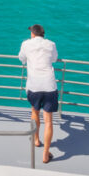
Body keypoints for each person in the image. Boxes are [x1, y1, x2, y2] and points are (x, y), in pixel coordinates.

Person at [18, 23, 58, 163]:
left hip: (34, 85)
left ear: (32, 34)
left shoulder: (26, 44)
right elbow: (54, 59)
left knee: (34, 112)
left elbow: (21, 59)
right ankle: (46, 154)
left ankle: (36, 139)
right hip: (49, 85)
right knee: (49, 121)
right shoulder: (51, 44)